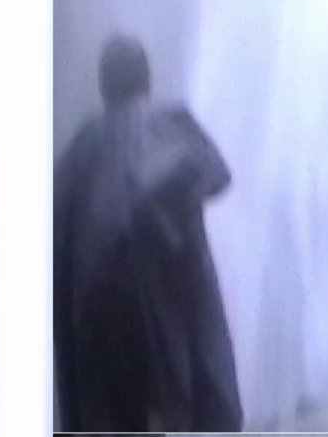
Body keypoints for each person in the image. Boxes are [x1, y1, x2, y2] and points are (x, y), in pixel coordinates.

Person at [54, 34, 243, 432]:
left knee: (110, 412)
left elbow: (58, 241)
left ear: (104, 87)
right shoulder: (171, 125)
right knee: (172, 406)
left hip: (93, 305)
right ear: (147, 80)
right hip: (161, 302)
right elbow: (218, 175)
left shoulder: (77, 152)